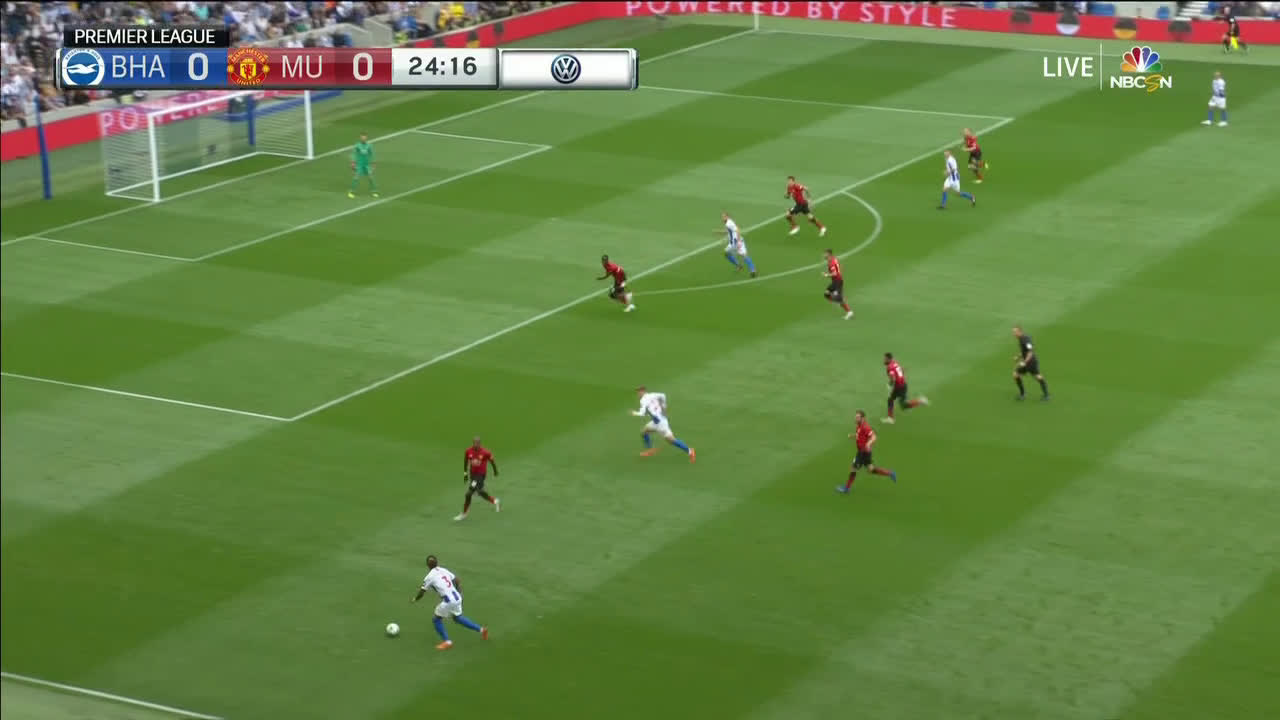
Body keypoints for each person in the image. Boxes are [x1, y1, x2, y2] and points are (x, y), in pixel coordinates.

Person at [412, 555, 489, 650]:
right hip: (457, 597)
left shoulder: (429, 577)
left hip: (448, 601)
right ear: (437, 562)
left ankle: (447, 641)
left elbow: (422, 591)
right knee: (458, 618)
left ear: (427, 565)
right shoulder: (443, 570)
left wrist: (415, 599)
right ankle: (482, 630)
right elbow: (457, 580)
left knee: (436, 619)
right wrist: (460, 592)